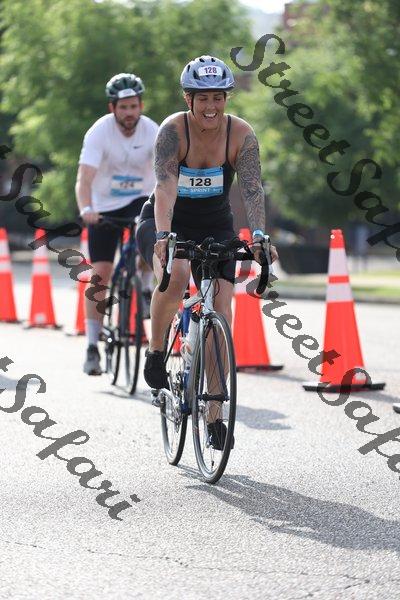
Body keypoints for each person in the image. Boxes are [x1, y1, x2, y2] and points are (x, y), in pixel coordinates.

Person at [136, 55, 278, 391]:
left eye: (218, 97)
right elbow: (165, 187)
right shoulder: (173, 131)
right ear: (188, 99)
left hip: (215, 226)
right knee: (176, 275)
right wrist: (163, 235)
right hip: (168, 220)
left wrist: (260, 235)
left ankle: (214, 406)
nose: (211, 106)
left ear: (226, 98)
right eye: (203, 98)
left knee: (222, 309)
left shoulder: (241, 134)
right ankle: (156, 350)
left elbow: (252, 189)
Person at [76, 73, 158, 375]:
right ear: (113, 108)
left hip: (141, 200)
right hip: (103, 208)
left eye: (134, 106)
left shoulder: (153, 131)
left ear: (141, 106)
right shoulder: (99, 132)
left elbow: (165, 173)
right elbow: (84, 178)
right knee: (101, 274)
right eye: (123, 107)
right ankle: (92, 345)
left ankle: (145, 289)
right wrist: (86, 208)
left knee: (151, 241)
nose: (129, 113)